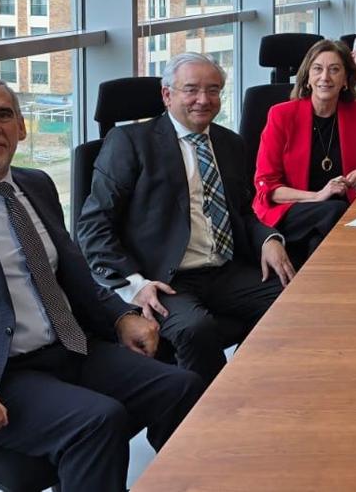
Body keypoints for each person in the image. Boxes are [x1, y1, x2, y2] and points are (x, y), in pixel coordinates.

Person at [0, 75, 203, 492]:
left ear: (22, 127)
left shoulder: (34, 184)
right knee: (98, 422)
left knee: (183, 387)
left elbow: (73, 272)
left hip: (68, 347)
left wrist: (121, 317)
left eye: (3, 114)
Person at [77, 53, 293, 386]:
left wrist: (269, 239)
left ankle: (254, 384)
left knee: (294, 299)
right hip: (163, 278)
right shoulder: (130, 143)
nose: (203, 100)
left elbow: (243, 212)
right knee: (196, 329)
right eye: (191, 90)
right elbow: (94, 226)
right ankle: (205, 419)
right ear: (167, 95)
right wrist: (134, 285)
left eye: (213, 90)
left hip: (222, 269)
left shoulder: (230, 143)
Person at [254, 39, 356, 261]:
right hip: (290, 210)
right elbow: (268, 187)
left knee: (319, 241)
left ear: (346, 80)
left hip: (331, 216)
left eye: (334, 70)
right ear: (307, 78)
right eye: (317, 69)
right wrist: (318, 196)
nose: (325, 77)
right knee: (335, 210)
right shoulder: (281, 115)